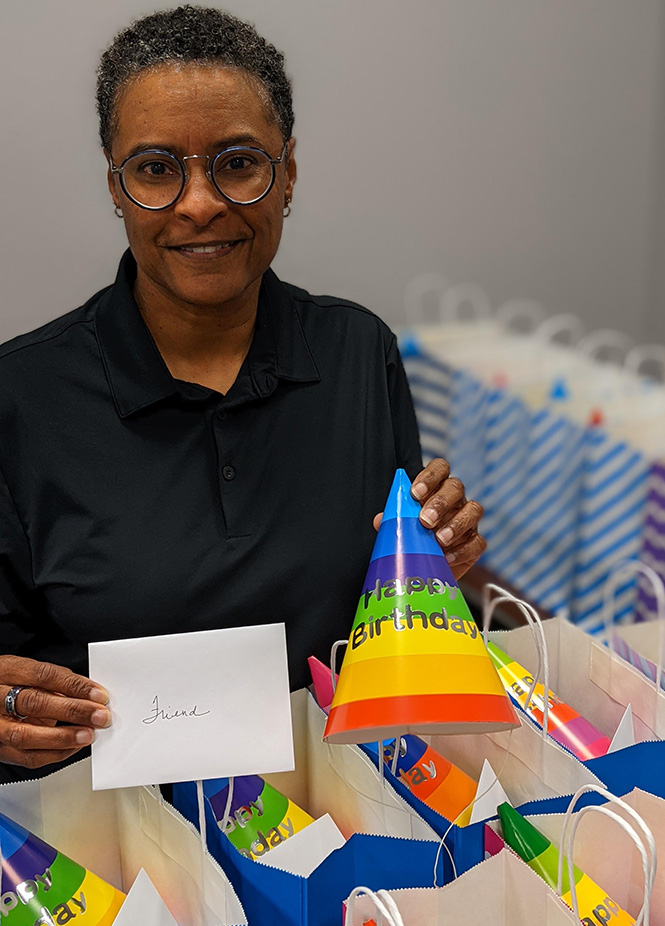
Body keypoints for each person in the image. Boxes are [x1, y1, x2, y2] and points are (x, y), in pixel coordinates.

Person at [0, 6, 485, 781]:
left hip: (341, 800)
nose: (199, 203)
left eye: (237, 162)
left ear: (286, 174)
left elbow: (384, 605)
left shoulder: (356, 353)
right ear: (116, 186)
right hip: (108, 827)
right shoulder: (21, 398)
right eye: (156, 169)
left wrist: (430, 563)